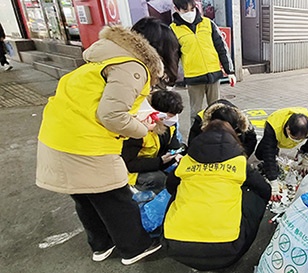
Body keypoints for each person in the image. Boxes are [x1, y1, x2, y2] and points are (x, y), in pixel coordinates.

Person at [36, 18, 180, 265]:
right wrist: (142, 129)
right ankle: (135, 248)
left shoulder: (107, 57)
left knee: (85, 196)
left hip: (57, 136)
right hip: (86, 143)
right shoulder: (134, 67)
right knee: (116, 198)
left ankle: (101, 245)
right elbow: (111, 115)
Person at [163, 120, 271, 271]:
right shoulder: (239, 163)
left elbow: (170, 186)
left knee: (179, 191)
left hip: (174, 246)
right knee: (252, 193)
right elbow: (265, 190)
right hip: (228, 251)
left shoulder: (186, 161)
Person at [171, 0, 236, 123]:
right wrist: (171, 81)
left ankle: (217, 135)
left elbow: (221, 48)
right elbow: (173, 58)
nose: (189, 13)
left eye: (192, 9)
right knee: (196, 113)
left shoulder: (208, 24)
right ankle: (196, 139)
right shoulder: (173, 30)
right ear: (176, 9)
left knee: (217, 110)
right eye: (185, 10)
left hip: (213, 75)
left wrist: (230, 71)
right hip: (194, 78)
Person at [254, 107, 308, 200]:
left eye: (301, 139)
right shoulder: (273, 127)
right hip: (275, 133)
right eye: (295, 138)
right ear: (288, 129)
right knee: (262, 154)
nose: (298, 141)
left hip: (300, 130)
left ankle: (303, 153)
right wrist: (273, 181)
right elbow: (269, 155)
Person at [122, 90, 185, 194]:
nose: (173, 119)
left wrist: (177, 154)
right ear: (157, 113)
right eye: (170, 115)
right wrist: (160, 161)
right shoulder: (139, 130)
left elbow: (173, 143)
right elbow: (129, 164)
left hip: (157, 160)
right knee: (160, 179)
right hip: (134, 171)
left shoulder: (168, 124)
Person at [188, 99, 257, 156]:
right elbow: (192, 145)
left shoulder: (241, 121)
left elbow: (251, 140)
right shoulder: (200, 121)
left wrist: (243, 156)